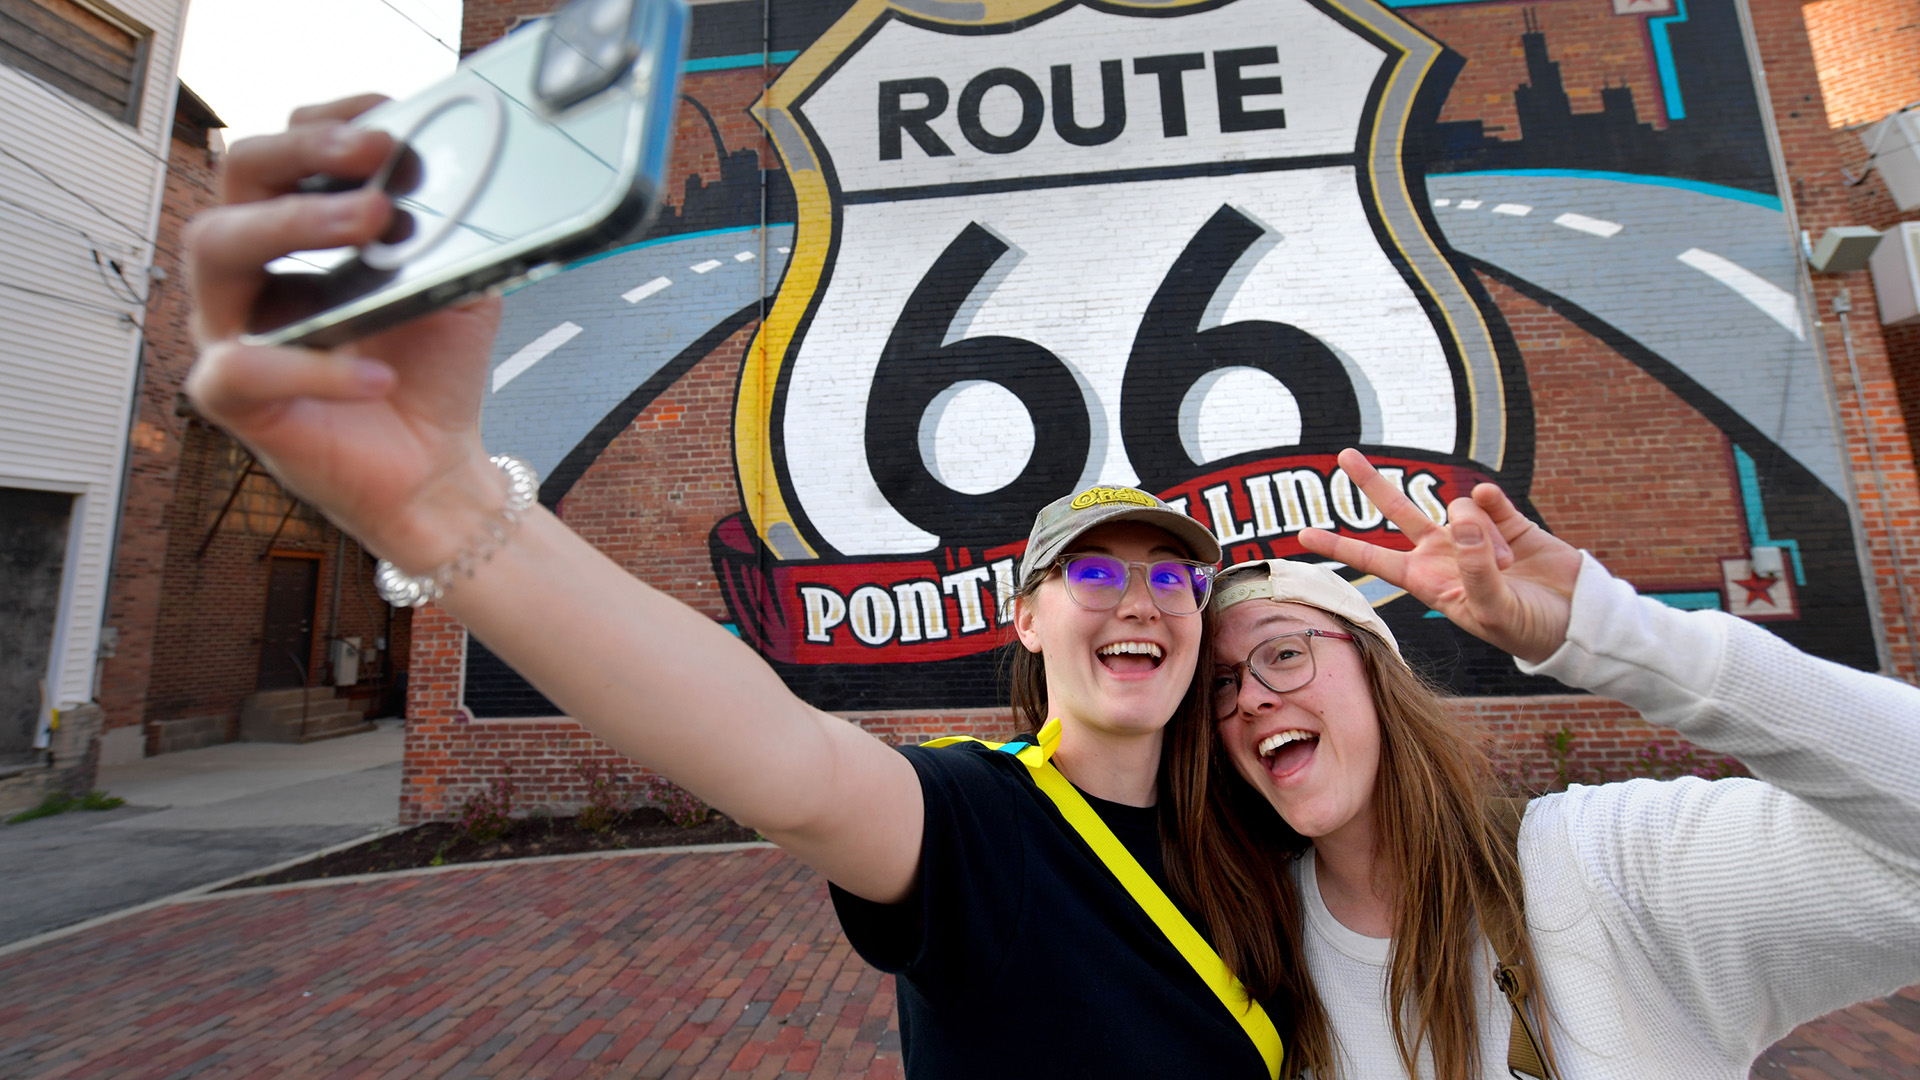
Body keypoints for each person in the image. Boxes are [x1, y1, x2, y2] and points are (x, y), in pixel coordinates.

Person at [182, 97, 1290, 1078]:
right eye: (1094, 571)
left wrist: (1478, 609)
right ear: (1028, 617)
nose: (1141, 600)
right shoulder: (979, 823)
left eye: (1174, 578)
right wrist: (450, 508)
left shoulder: (1251, 825)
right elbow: (789, 764)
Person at [1179, 448, 1920, 1079]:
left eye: (1284, 653)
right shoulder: (1252, 947)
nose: (1249, 698)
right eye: (1219, 683)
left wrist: (1612, 632)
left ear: (1380, 677)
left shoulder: (1604, 867)